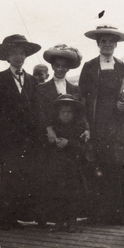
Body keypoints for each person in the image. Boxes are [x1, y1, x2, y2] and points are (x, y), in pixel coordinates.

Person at [78, 25, 124, 225]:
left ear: (116, 45)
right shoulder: (89, 67)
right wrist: (85, 124)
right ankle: (96, 213)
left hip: (119, 124)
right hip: (97, 122)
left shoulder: (123, 66)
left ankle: (118, 213)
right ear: (98, 44)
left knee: (118, 165)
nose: (107, 45)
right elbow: (81, 96)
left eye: (110, 42)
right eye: (103, 41)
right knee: (97, 165)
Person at [0, 34, 45, 230]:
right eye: (14, 53)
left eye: (22, 53)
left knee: (25, 174)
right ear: (7, 57)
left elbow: (37, 109)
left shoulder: (32, 80)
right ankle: (5, 218)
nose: (18, 57)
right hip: (7, 138)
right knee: (8, 176)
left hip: (28, 138)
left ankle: (19, 215)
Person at [36, 44, 89, 225]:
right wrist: (49, 130)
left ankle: (71, 219)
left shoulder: (74, 90)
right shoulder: (42, 88)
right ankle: (53, 219)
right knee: (52, 181)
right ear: (52, 67)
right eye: (57, 65)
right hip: (50, 141)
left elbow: (81, 115)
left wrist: (87, 130)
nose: (60, 69)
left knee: (71, 181)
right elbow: (40, 113)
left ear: (68, 68)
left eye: (63, 66)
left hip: (70, 142)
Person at [45, 94, 88, 232]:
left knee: (73, 195)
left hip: (73, 168)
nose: (65, 115)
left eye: (68, 112)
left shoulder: (78, 128)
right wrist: (53, 141)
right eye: (63, 112)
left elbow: (82, 147)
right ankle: (59, 221)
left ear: (73, 113)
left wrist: (68, 143)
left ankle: (72, 222)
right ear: (58, 114)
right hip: (57, 168)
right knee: (58, 194)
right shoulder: (54, 128)